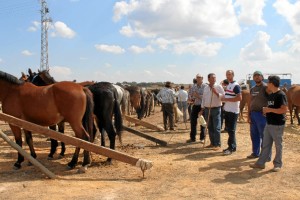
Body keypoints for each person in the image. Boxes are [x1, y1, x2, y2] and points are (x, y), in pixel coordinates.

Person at [250, 75, 288, 172]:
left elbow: (284, 110)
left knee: (278, 145)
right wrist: (266, 111)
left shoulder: (281, 95)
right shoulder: (271, 95)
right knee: (266, 144)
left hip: (277, 124)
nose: (267, 84)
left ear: (272, 83)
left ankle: (278, 164)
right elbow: (272, 109)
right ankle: (261, 163)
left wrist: (269, 109)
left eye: (268, 82)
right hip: (269, 123)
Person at [247, 71, 269, 159]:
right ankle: (255, 153)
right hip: (253, 114)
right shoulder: (252, 89)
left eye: (258, 76)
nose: (256, 77)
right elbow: (250, 102)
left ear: (262, 77)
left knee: (264, 136)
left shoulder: (266, 87)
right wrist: (248, 115)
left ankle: (266, 155)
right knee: (254, 135)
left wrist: (268, 110)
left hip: (262, 115)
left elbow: (271, 99)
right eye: (255, 76)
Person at [201, 73, 224, 150]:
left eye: (215, 77)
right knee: (210, 127)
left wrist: (216, 92)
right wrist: (202, 108)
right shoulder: (206, 88)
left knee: (216, 127)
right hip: (207, 109)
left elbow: (223, 97)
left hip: (216, 109)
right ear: (208, 79)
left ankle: (217, 144)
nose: (214, 79)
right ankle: (212, 143)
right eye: (212, 78)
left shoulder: (219, 86)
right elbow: (204, 99)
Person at [221, 70, 242, 155]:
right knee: (229, 130)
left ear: (233, 75)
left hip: (233, 111)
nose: (228, 76)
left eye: (229, 74)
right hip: (228, 110)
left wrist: (226, 99)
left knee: (231, 130)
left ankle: (232, 148)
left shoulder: (235, 85)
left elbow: (239, 98)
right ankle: (230, 146)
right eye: (227, 75)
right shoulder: (229, 84)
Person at [186, 74, 206, 143]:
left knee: (202, 123)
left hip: (202, 106)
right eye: (197, 78)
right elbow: (190, 95)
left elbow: (205, 97)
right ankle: (192, 138)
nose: (198, 79)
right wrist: (191, 98)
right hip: (195, 105)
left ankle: (202, 138)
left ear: (202, 78)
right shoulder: (193, 87)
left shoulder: (205, 87)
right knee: (193, 122)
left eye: (199, 77)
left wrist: (197, 95)